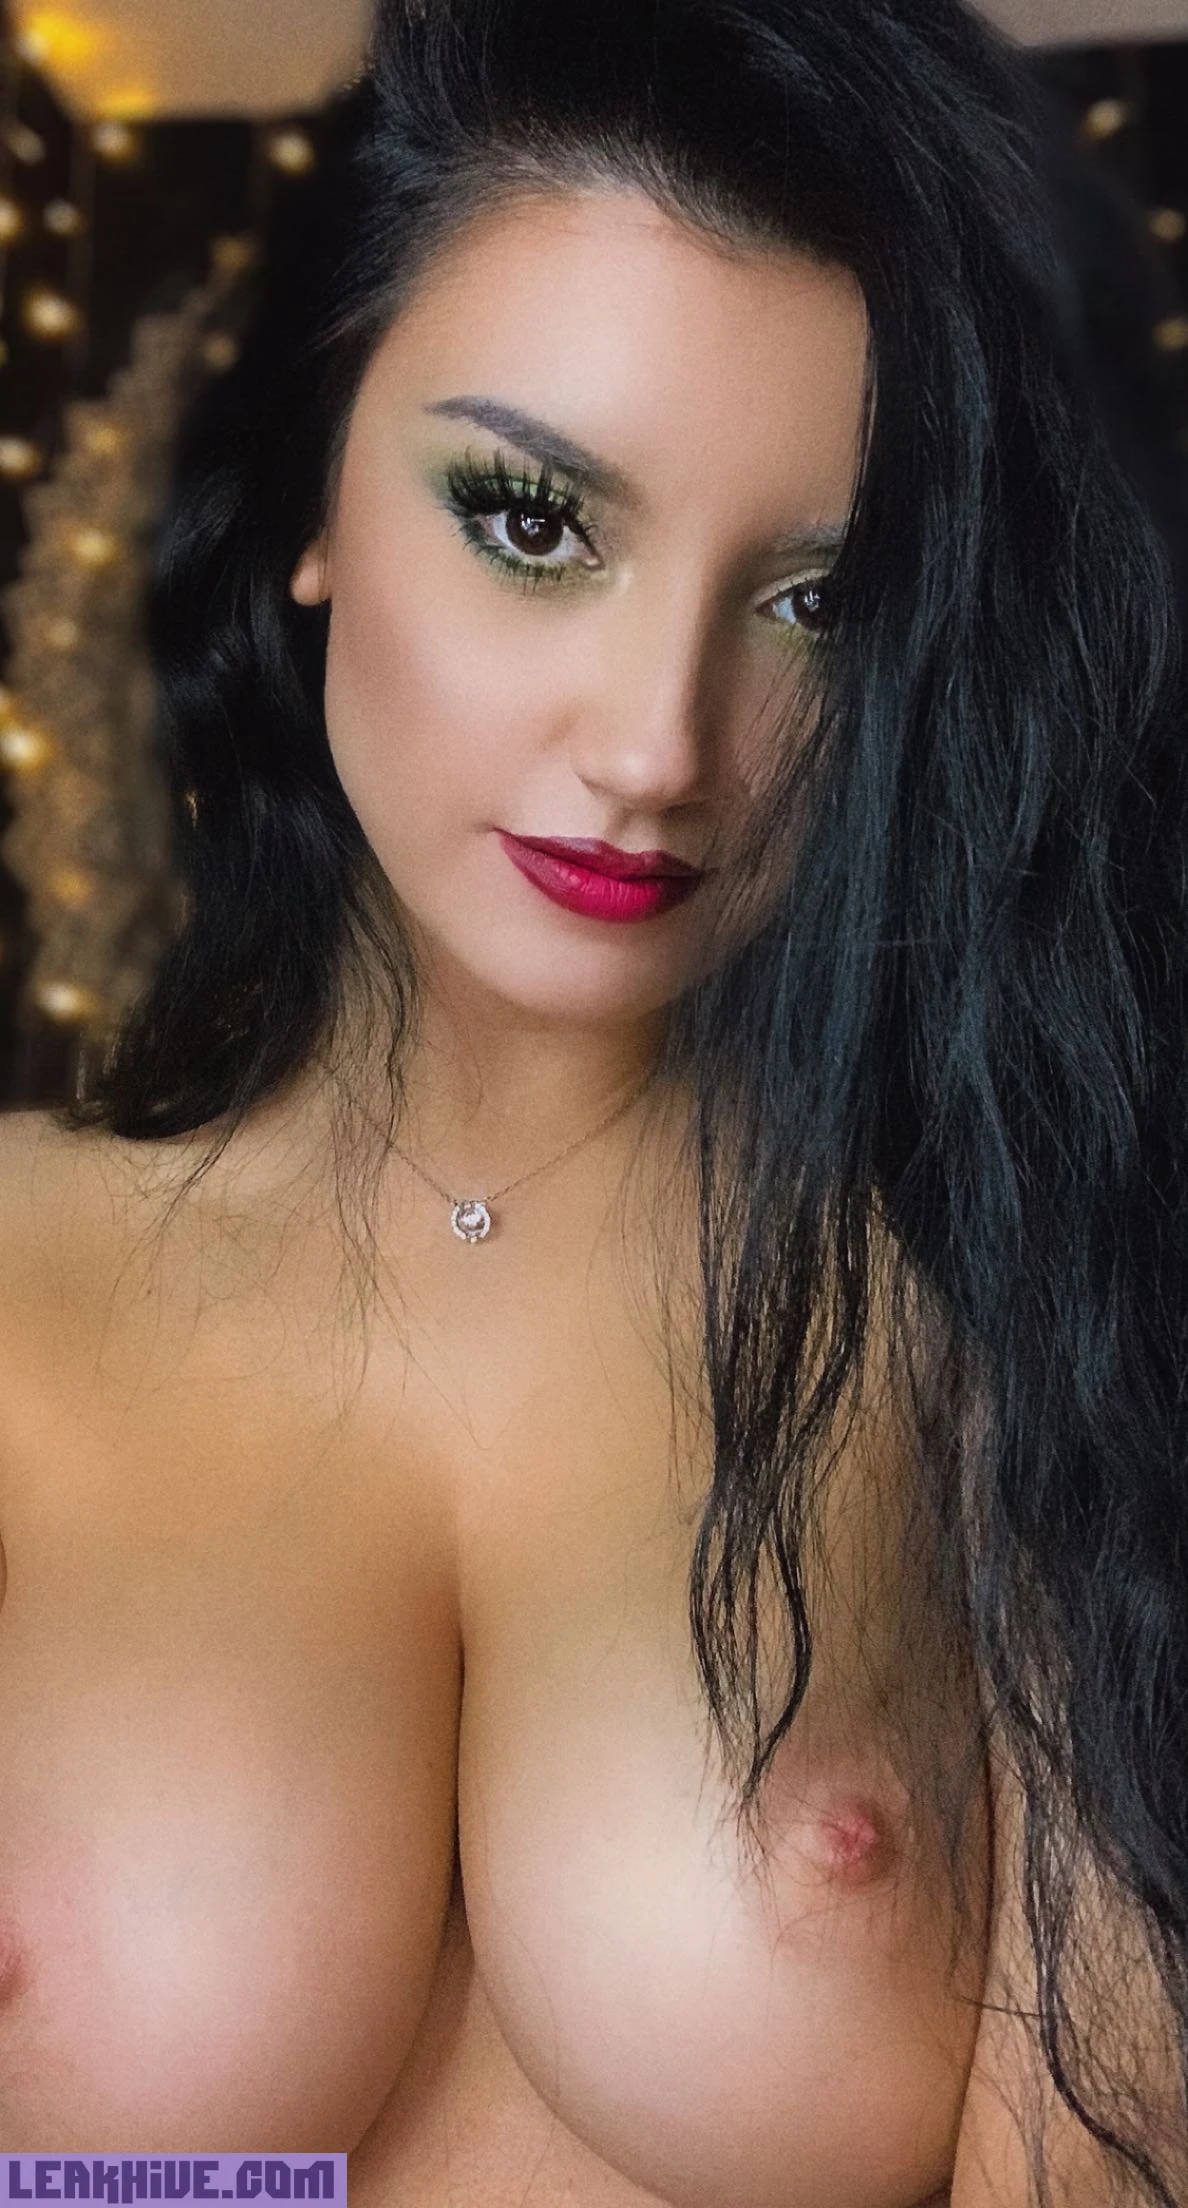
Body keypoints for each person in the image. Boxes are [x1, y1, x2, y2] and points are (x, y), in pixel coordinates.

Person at [0, 0, 1184, 2199]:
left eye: (819, 598)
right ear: (313, 496)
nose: (657, 743)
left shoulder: (1033, 1334)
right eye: (533, 519)